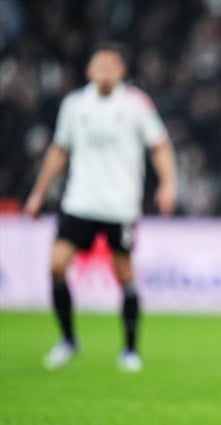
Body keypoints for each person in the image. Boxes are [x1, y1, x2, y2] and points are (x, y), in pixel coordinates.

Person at [24, 41, 177, 373]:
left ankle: (130, 350)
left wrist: (168, 184)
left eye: (112, 66)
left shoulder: (136, 105)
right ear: (89, 71)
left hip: (120, 205)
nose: (105, 71)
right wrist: (38, 193)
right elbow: (59, 150)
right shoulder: (75, 105)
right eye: (100, 66)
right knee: (56, 265)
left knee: (124, 274)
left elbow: (160, 145)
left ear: (121, 72)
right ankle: (68, 340)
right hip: (79, 201)